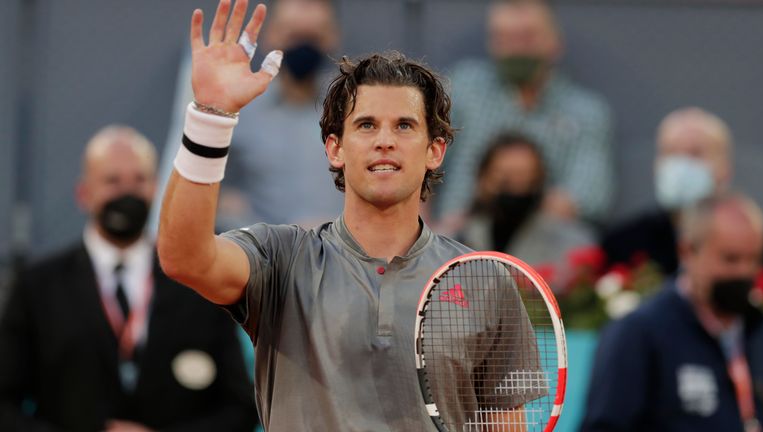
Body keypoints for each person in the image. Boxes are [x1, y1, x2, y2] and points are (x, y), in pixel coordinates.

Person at [157, 1, 540, 430]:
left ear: (435, 151)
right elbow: (183, 258)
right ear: (335, 149)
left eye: (404, 126)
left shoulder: (483, 278)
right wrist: (210, 117)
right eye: (366, 125)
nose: (384, 141)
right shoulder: (280, 256)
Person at [0, 126, 257, 431]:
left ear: (156, 189)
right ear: (84, 193)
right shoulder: (38, 287)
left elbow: (240, 406)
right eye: (112, 181)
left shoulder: (197, 282)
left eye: (139, 180)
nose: (127, 192)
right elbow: (5, 405)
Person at [581, 193, 763, 431]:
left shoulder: (759, 332)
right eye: (731, 259)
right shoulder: (639, 333)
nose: (745, 272)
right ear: (687, 251)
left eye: (755, 259)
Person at [434, 0, 613, 228]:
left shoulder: (586, 112)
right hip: (457, 241)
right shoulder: (462, 89)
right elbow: (420, 166)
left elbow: (590, 196)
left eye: (527, 37)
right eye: (505, 39)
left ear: (555, 42)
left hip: (541, 247)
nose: (516, 50)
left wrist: (512, 203)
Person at [219, 0, 343, 229]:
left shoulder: (353, 108)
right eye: (294, 36)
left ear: (331, 37)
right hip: (263, 258)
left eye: (312, 38)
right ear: (272, 36)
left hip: (345, 257)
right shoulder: (240, 111)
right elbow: (212, 191)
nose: (303, 47)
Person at [601, 107, 732, 277]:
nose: (682, 165)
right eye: (671, 153)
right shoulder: (623, 244)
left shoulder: (751, 246)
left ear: (725, 168)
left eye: (695, 153)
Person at [457, 132, 595, 291]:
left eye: (526, 178)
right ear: (483, 180)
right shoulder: (458, 237)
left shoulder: (572, 242)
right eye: (505, 179)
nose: (517, 188)